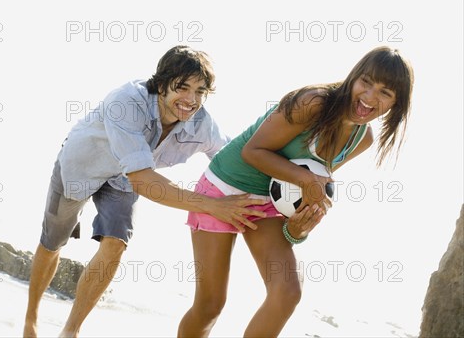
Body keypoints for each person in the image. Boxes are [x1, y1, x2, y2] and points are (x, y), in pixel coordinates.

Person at [23, 45, 269, 338]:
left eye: (200, 91)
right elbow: (144, 181)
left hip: (123, 180)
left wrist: (284, 183)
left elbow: (231, 159)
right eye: (183, 87)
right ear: (162, 83)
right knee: (53, 243)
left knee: (115, 243)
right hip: (81, 166)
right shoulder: (125, 103)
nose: (191, 100)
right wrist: (213, 206)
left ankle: (70, 331)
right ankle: (31, 320)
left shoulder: (201, 123)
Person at [177, 46, 414, 337]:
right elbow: (255, 152)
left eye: (385, 92)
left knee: (288, 292)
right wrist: (307, 181)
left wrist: (298, 230)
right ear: (354, 78)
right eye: (366, 82)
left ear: (396, 103)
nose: (369, 97)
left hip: (267, 203)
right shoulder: (312, 102)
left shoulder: (361, 140)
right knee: (210, 305)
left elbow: (298, 195)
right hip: (223, 190)